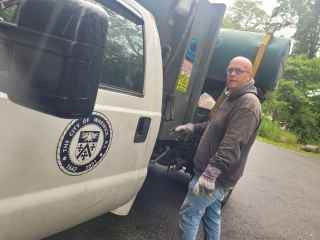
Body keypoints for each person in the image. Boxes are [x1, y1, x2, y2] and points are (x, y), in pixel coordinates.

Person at [170, 56, 262, 240]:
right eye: (230, 69)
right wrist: (192, 128)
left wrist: (210, 174)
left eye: (239, 71)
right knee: (211, 216)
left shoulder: (248, 104)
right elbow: (212, 124)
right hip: (211, 173)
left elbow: (232, 144)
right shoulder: (231, 97)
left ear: (249, 76)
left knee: (190, 214)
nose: (233, 74)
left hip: (215, 176)